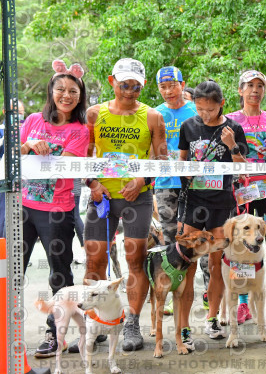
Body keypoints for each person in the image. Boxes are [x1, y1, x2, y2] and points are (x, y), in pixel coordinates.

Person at [84, 58, 168, 351]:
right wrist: (92, 184)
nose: (130, 91)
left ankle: (131, 322)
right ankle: (93, 324)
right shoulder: (94, 114)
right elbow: (84, 156)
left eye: (136, 86)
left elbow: (161, 159)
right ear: (112, 81)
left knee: (134, 260)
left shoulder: (153, 116)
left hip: (138, 198)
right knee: (94, 260)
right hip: (101, 198)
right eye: (124, 85)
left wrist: (141, 181)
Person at [21, 61, 89, 357]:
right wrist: (30, 143)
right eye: (60, 89)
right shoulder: (34, 119)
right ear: (51, 91)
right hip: (22, 206)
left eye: (73, 91)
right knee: (10, 269)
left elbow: (65, 165)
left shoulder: (80, 130)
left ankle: (54, 334)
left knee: (59, 276)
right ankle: (4, 328)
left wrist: (41, 147)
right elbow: (15, 149)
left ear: (80, 96)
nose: (66, 95)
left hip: (57, 210)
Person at [178, 80, 248, 341]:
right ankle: (184, 326)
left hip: (222, 204)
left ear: (222, 104)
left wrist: (232, 145)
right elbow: (181, 161)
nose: (204, 114)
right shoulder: (188, 126)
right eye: (199, 109)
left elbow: (243, 165)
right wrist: (186, 172)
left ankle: (213, 319)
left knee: (216, 264)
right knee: (188, 263)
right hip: (194, 203)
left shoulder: (234, 128)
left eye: (210, 109)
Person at [227, 70, 266, 325]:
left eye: (260, 86)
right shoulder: (230, 120)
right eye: (249, 85)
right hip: (241, 193)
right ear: (240, 90)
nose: (255, 90)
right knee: (242, 248)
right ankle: (243, 304)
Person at [153, 66, 198, 344]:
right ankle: (168, 296)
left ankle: (202, 297)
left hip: (195, 183)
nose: (169, 91)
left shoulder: (196, 110)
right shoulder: (155, 113)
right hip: (164, 184)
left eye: (173, 85)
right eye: (163, 86)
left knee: (197, 240)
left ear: (183, 84)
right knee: (171, 243)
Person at [0, 100, 25, 238]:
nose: (18, 117)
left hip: (20, 181)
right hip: (3, 181)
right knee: (3, 215)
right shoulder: (1, 131)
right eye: (15, 113)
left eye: (21, 114)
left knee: (16, 218)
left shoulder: (24, 130)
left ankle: (13, 254)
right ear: (5, 112)